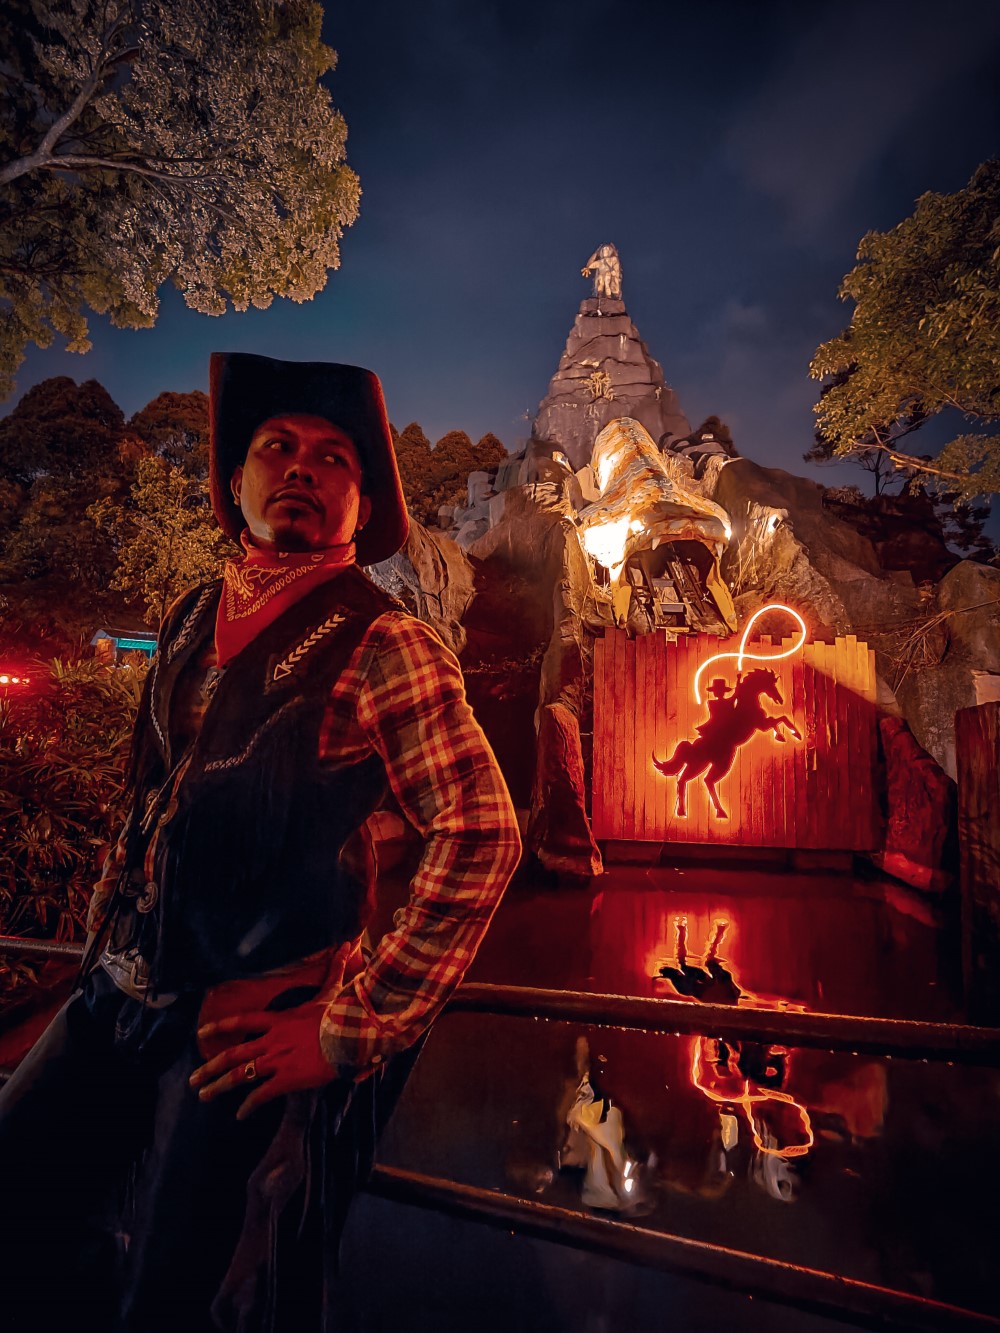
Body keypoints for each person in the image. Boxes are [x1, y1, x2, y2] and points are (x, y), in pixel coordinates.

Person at [0, 353, 521, 1332]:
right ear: (235, 483)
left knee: (171, 1294)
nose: (300, 468)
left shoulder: (386, 640)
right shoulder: (194, 612)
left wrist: (349, 1028)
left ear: (359, 509)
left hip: (239, 1029)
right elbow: (147, 791)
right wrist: (102, 926)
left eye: (332, 458)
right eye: (276, 447)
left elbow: (482, 833)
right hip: (115, 990)